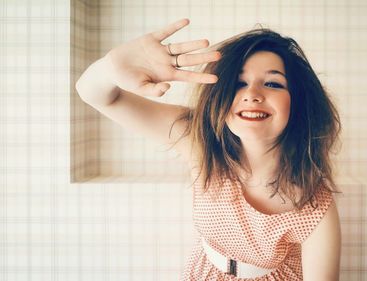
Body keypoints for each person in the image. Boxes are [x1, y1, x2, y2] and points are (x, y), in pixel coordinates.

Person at [76, 18, 342, 281]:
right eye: (238, 83)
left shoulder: (314, 205)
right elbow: (94, 94)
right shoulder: (198, 140)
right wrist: (111, 67)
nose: (252, 94)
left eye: (273, 83)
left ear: (297, 102)